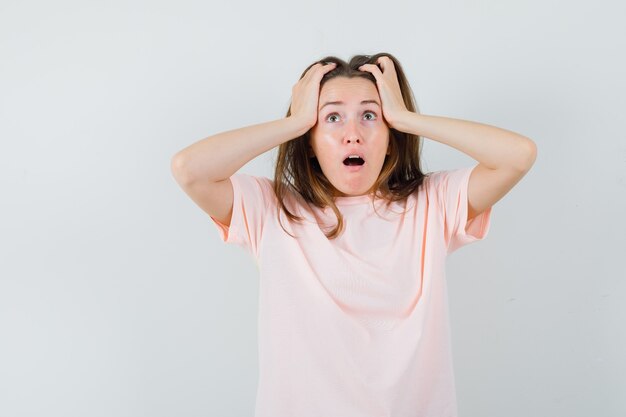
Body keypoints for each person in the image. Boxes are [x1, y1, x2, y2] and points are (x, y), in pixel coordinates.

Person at [170, 52, 537, 417]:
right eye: (331, 117)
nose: (353, 135)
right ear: (309, 141)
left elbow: (518, 155)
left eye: (369, 115)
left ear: (392, 136)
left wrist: (406, 118)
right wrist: (295, 122)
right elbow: (190, 169)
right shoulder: (270, 209)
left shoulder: (433, 204)